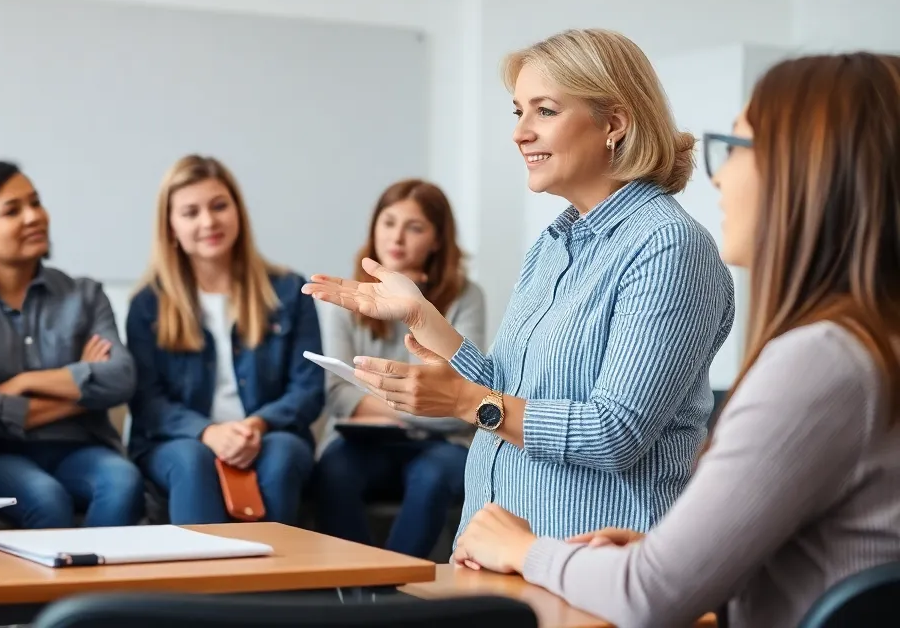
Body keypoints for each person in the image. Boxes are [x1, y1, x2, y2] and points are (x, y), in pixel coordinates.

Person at [451, 52, 900, 628]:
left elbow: (652, 594)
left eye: (735, 148)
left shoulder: (822, 360)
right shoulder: (862, 345)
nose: (718, 174)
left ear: (812, 171)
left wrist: (524, 549)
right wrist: (648, 555)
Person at [304, 28, 736, 543]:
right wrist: (425, 319)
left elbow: (616, 434)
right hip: (494, 545)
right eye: (518, 112)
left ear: (614, 123)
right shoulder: (553, 244)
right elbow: (508, 391)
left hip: (588, 559)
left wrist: (464, 402)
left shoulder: (669, 246)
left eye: (545, 111)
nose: (520, 133)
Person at [0, 159, 145, 528]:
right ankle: (52, 590)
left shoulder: (85, 294)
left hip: (82, 447)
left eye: (35, 202)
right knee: (46, 498)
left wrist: (22, 384)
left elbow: (122, 378)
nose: (33, 217)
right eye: (12, 210)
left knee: (123, 482)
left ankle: (103, 587)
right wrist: (81, 390)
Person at [126, 155, 324, 525]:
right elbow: (147, 401)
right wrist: (208, 432)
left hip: (270, 433)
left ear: (238, 212)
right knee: (192, 459)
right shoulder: (148, 305)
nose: (209, 222)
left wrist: (258, 425)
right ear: (170, 226)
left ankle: (274, 581)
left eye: (219, 206)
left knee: (281, 457)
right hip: (176, 441)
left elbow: (308, 389)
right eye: (190, 212)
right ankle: (205, 584)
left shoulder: (289, 291)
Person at [311, 179, 484, 559]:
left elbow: (465, 397)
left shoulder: (465, 297)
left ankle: (396, 590)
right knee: (335, 470)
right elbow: (340, 397)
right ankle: (357, 592)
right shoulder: (343, 297)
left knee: (433, 476)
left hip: (441, 445)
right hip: (365, 442)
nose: (397, 238)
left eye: (415, 227)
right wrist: (421, 403)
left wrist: (418, 310)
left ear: (437, 240)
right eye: (388, 223)